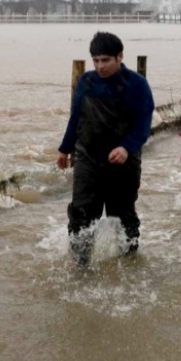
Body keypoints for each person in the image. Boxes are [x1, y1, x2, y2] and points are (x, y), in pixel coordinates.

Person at [57, 32, 155, 266]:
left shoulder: (136, 84)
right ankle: (80, 266)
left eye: (106, 60)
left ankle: (129, 263)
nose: (100, 66)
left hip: (123, 161)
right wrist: (64, 148)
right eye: (96, 61)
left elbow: (144, 123)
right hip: (87, 158)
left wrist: (127, 147)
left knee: (122, 216)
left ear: (120, 56)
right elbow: (76, 118)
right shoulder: (86, 82)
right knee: (81, 214)